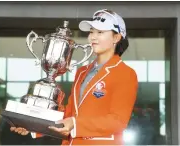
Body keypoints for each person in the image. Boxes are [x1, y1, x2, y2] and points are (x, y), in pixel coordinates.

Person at [11, 9, 138, 145]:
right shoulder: (82, 72)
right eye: (91, 32)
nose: (92, 37)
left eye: (100, 32)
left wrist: (75, 124)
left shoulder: (125, 73)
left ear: (116, 38)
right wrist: (33, 126)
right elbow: (69, 114)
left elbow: (117, 121)